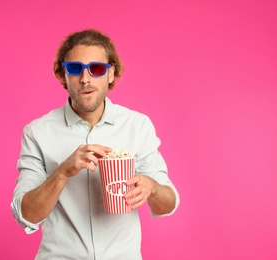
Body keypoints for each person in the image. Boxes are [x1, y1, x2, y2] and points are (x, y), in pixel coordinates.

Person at [11, 29, 180, 259]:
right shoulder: (38, 133)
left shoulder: (137, 126)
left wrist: (151, 187)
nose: (86, 78)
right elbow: (26, 215)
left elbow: (167, 204)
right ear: (63, 75)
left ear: (110, 74)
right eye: (75, 68)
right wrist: (62, 172)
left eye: (97, 69)